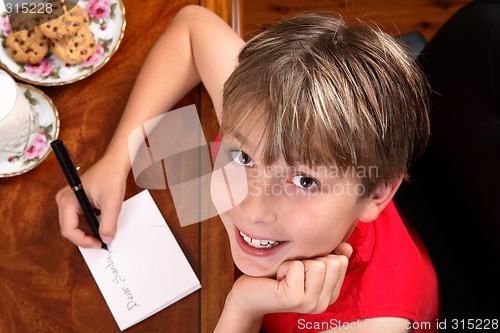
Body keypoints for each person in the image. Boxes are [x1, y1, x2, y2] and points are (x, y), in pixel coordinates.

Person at [55, 5, 439, 332]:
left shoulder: (371, 323)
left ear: (376, 193)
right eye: (244, 158)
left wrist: (243, 307)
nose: (251, 209)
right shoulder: (266, 117)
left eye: (304, 181)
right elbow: (193, 27)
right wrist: (116, 158)